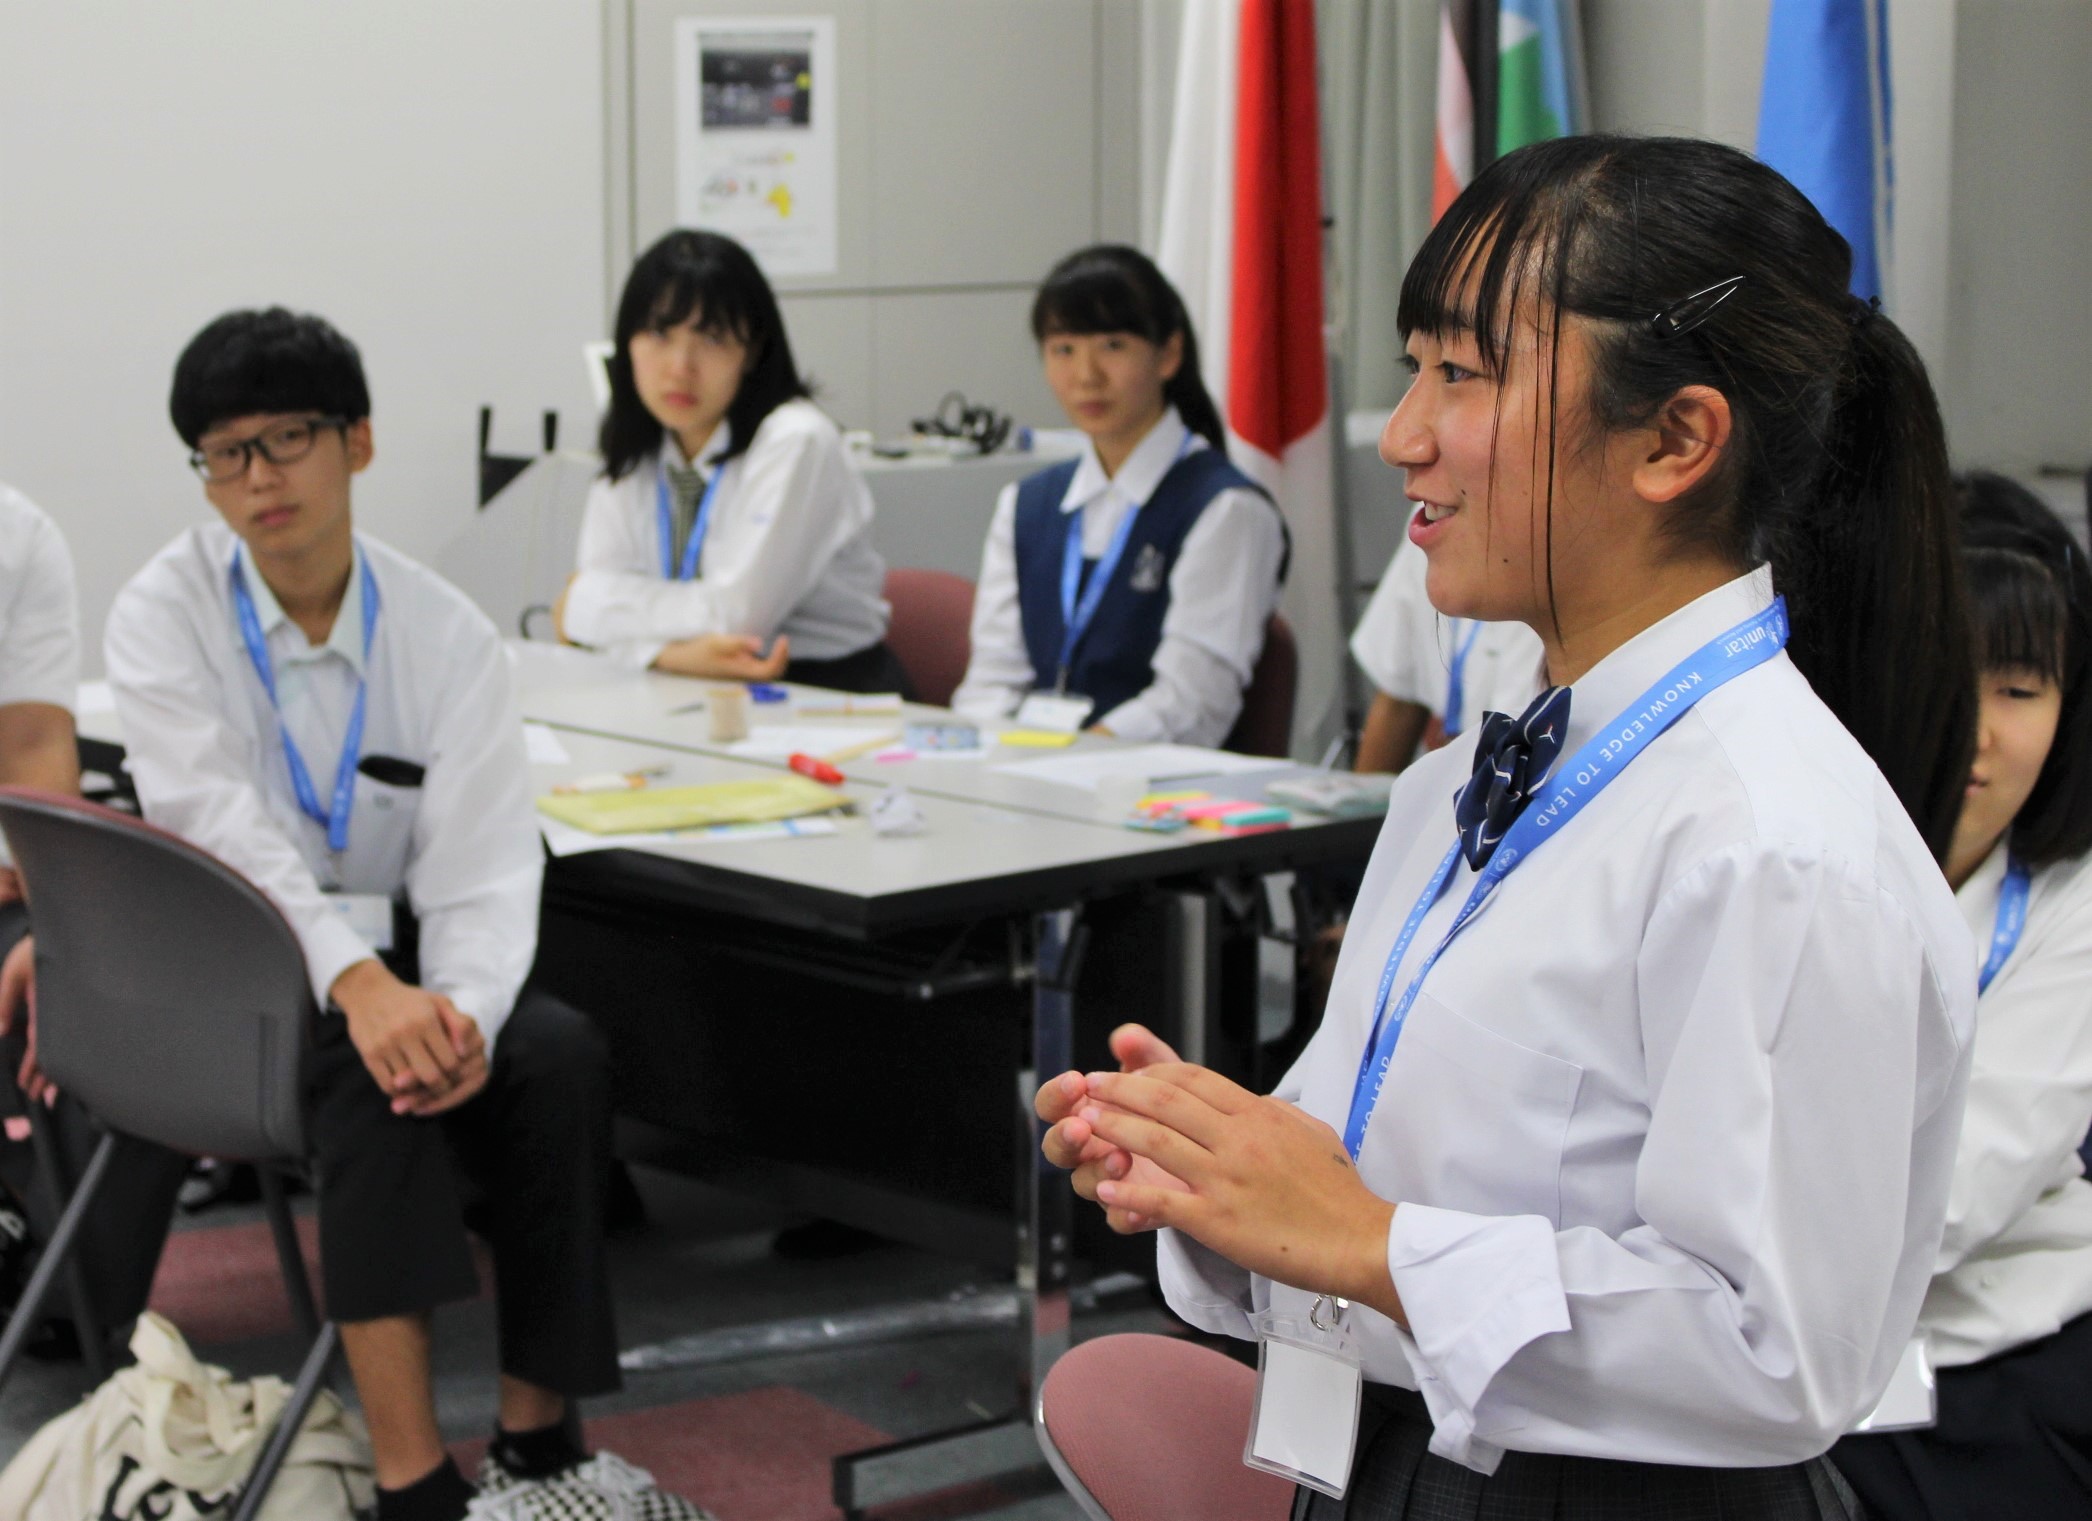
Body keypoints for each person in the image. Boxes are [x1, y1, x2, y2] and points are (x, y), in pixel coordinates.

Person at [1038, 134, 1980, 1516]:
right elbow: (1376, 1155)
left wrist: (1367, 1243)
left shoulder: (1775, 846)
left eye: (1464, 374)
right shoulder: (1462, 781)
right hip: (1390, 1455)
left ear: (1675, 440)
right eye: (1415, 365)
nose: (1403, 432)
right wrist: (1216, 1175)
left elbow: (1778, 1352)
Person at [101, 309, 705, 1521]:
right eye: (227, 454)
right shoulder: (163, 614)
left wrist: (464, 1014)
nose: (260, 477)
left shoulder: (443, 632)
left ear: (358, 442)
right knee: (372, 1071)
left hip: (410, 959)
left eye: (288, 438)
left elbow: (483, 863)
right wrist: (360, 986)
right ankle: (413, 1482)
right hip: (238, 970)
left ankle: (538, 1448)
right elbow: (221, 832)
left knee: (558, 1055)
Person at [1831, 472, 2092, 1519]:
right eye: (1947, 676)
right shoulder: (1795, 846)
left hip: (1989, 1370)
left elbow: (1957, 1190)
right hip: (1759, 1356)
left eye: (2019, 692)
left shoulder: (2073, 904)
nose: (1975, 730)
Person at [950, 245, 1288, 746]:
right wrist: (980, 754)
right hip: (1032, 770)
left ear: (1168, 354)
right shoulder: (1025, 505)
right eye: (1063, 350)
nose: (1086, 375)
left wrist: (1066, 756)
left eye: (1112, 345)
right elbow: (992, 681)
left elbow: (1192, 705)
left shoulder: (1225, 508)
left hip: (1151, 780)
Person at [558, 229, 903, 693]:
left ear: (752, 351)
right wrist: (672, 655)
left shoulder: (797, 440)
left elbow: (738, 619)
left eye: (712, 337)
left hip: (821, 689)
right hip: (680, 682)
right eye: (659, 334)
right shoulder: (639, 441)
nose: (680, 366)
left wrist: (594, 608)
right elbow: (584, 614)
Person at [1349, 538, 1542, 772]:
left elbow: (1511, 753)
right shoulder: (1426, 526)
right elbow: (1397, 695)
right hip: (1449, 778)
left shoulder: (1537, 555)